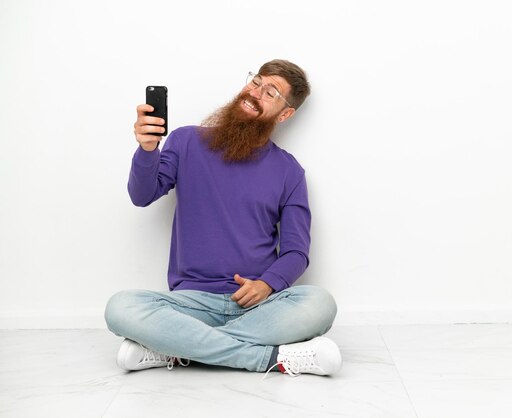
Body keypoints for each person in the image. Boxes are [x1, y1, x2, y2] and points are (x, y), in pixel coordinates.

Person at [104, 59, 341, 377]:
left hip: (258, 306)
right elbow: (142, 195)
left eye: (270, 92)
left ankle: (172, 349)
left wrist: (268, 285)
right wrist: (148, 149)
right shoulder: (186, 140)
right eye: (256, 81)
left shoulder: (289, 171)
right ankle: (268, 359)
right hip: (191, 304)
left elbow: (296, 251)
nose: (255, 92)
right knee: (121, 307)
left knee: (320, 303)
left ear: (285, 114)